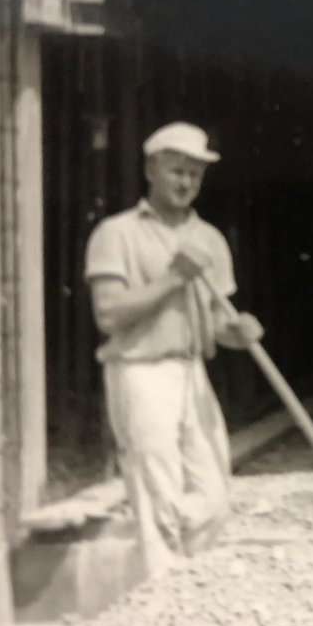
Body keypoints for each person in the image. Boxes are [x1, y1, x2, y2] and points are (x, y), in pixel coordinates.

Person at [85, 122, 264, 575]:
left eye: (195, 174)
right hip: (139, 372)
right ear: (151, 169)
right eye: (176, 171)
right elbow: (107, 314)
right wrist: (173, 278)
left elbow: (219, 320)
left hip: (190, 372)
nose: (186, 182)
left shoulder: (210, 240)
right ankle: (163, 598)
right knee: (156, 492)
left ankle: (191, 588)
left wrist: (237, 331)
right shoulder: (117, 233)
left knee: (214, 495)